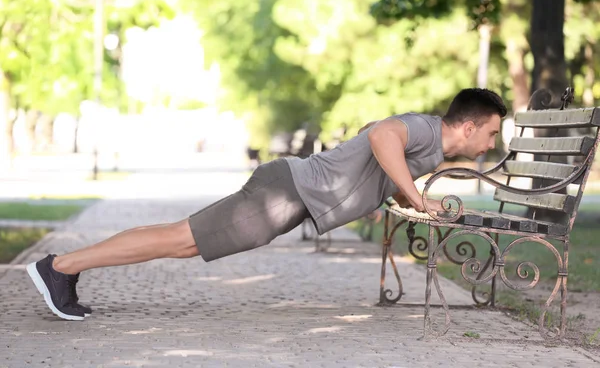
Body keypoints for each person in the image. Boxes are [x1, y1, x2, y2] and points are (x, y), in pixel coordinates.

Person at [26, 88, 506, 321]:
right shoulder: (424, 129)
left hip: (289, 193)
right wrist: (418, 194)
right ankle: (61, 266)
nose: (490, 144)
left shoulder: (425, 144)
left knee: (181, 237)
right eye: (490, 132)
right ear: (468, 126)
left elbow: (373, 142)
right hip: (285, 194)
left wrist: (411, 198)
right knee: (181, 240)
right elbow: (381, 134)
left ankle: (64, 267)